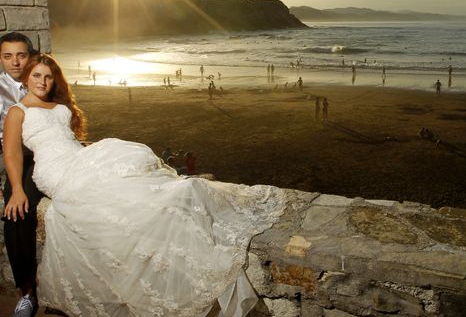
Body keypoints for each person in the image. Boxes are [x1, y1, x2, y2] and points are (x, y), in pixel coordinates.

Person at [3, 53, 286, 316]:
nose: (42, 82)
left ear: (54, 79)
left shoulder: (59, 106)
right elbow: (12, 152)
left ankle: (179, 195)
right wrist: (17, 189)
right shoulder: (18, 111)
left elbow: (70, 140)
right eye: (37, 75)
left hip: (78, 157)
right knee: (108, 195)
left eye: (48, 76)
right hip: (55, 170)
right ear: (27, 76)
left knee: (134, 174)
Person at [0, 32, 41, 317]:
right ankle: (26, 293)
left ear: (30, 55)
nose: (15, 62)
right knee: (16, 211)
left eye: (21, 55)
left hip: (49, 153)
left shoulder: (43, 80)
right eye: (7, 56)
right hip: (18, 159)